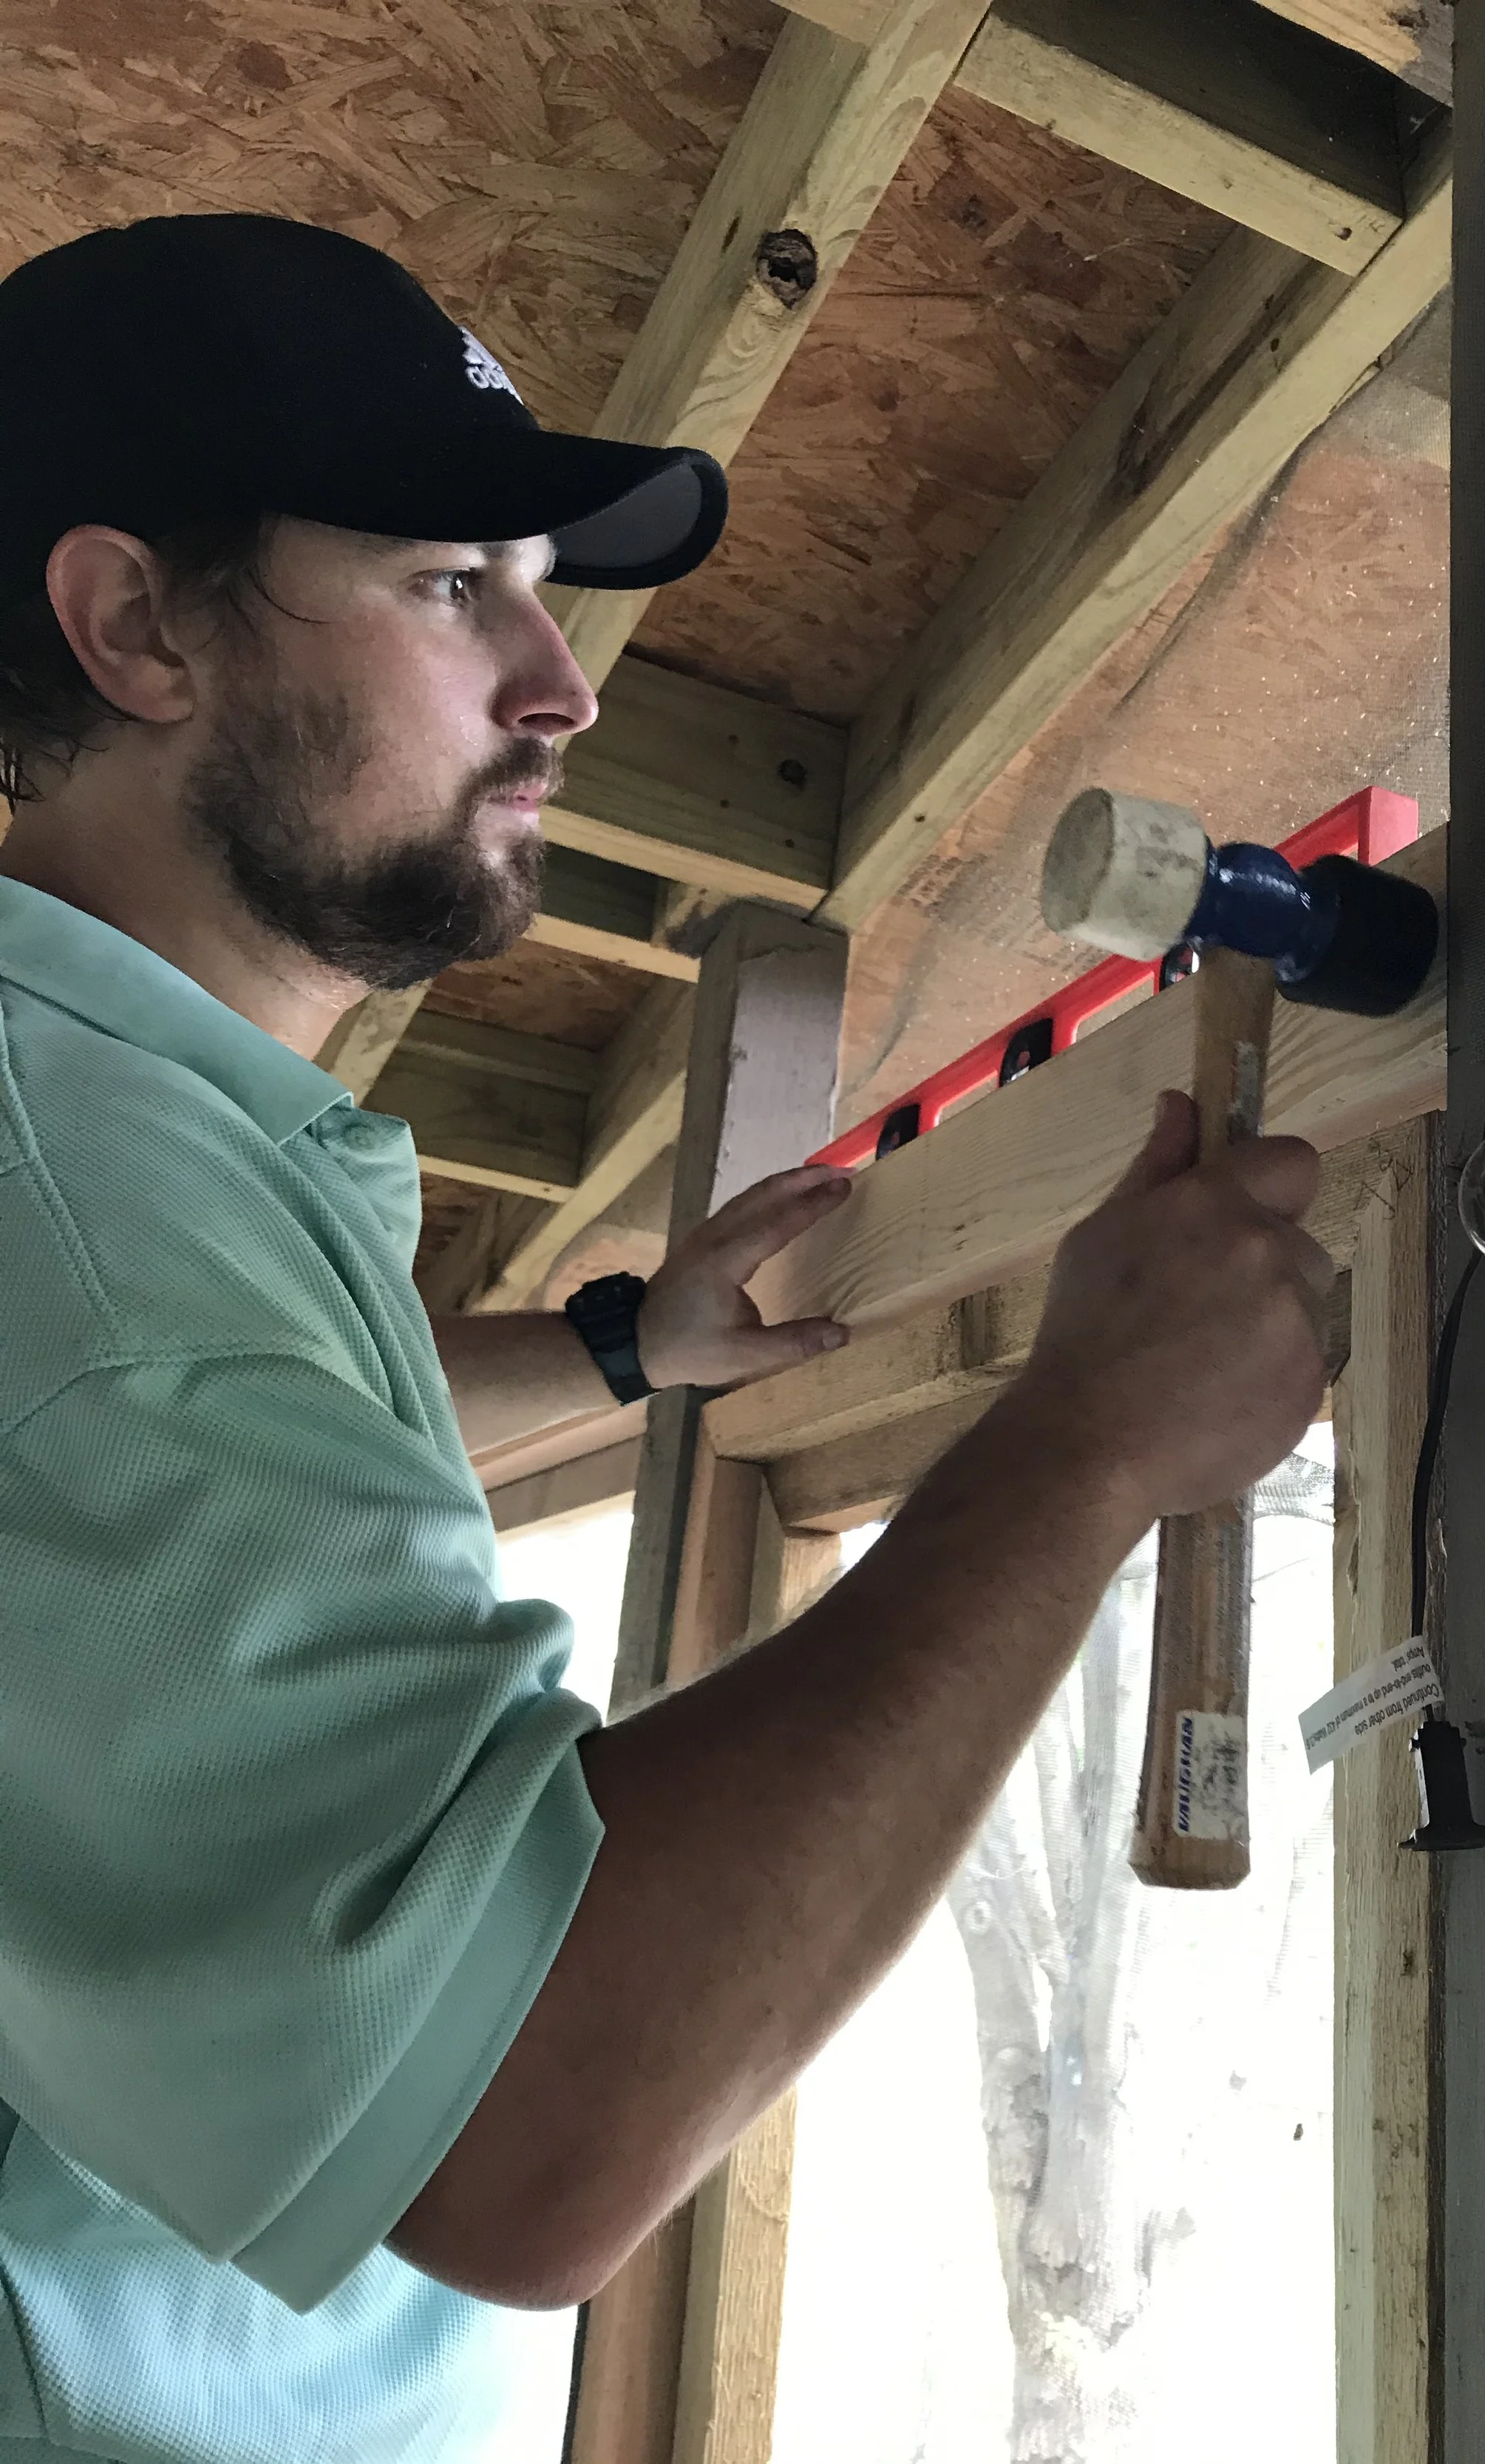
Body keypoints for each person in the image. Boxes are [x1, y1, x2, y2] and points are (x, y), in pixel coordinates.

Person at [0, 215, 1332, 2464]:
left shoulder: (113, 1160)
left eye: (538, 586)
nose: (564, 681)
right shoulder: (101, 1232)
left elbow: (211, 1478)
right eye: (451, 587)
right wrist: (1086, 1439)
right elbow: (517, 2127)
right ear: (136, 624)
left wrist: (627, 1348)